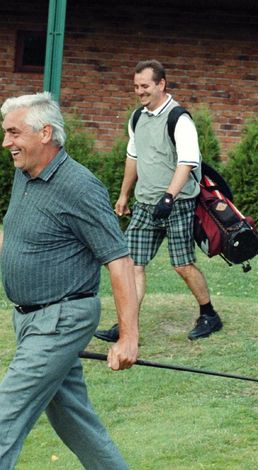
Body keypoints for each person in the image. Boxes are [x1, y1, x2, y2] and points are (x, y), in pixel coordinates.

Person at [0, 92, 140, 469]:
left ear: (45, 132)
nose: (5, 142)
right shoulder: (26, 175)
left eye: (14, 133)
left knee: (3, 420)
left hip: (60, 321)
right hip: (30, 320)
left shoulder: (79, 186)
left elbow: (119, 260)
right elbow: (26, 234)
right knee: (73, 419)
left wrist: (128, 337)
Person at [94, 59, 222, 343]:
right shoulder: (137, 118)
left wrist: (169, 196)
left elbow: (187, 162)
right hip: (144, 204)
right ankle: (126, 326)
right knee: (132, 264)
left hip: (177, 204)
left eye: (145, 86)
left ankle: (209, 314)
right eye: (136, 86)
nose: (140, 91)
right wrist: (124, 194)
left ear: (161, 84)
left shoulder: (179, 118)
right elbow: (133, 157)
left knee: (182, 265)